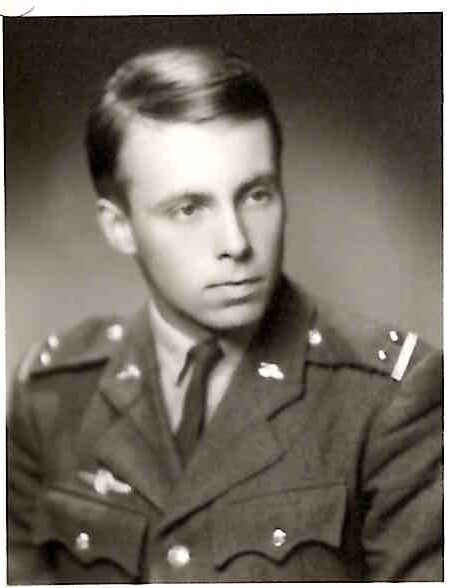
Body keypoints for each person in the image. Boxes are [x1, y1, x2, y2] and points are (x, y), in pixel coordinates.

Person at [7, 46, 443, 584]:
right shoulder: (52, 395)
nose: (236, 243)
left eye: (256, 195)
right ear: (119, 227)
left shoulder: (388, 399)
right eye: (189, 209)